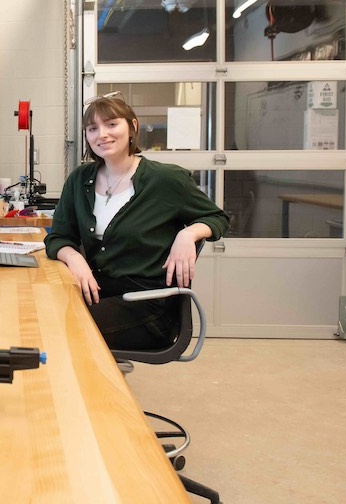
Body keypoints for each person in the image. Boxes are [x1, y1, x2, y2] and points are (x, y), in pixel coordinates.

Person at [44, 92, 230, 350]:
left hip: (147, 306)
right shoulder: (80, 179)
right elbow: (58, 237)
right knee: (38, 313)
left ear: (132, 127)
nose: (102, 134)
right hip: (97, 293)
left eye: (111, 124)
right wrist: (74, 258)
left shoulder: (165, 179)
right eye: (93, 128)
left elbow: (217, 217)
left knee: (59, 330)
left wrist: (188, 234)